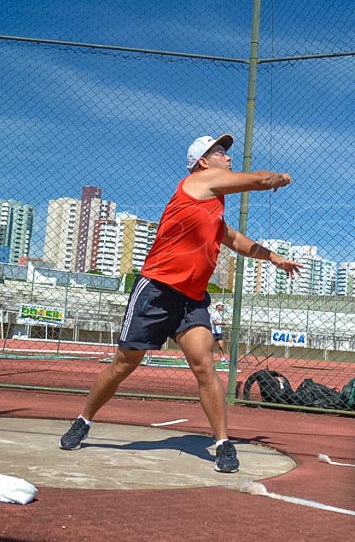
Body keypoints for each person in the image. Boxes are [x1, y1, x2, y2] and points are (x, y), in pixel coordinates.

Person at [59, 134, 301, 473]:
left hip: (192, 297)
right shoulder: (200, 182)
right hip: (157, 290)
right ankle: (84, 420)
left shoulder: (212, 207)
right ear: (203, 162)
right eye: (220, 152)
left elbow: (235, 240)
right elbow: (260, 179)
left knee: (204, 366)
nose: (227, 157)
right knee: (122, 366)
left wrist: (274, 257)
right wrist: (280, 178)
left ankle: (222, 443)